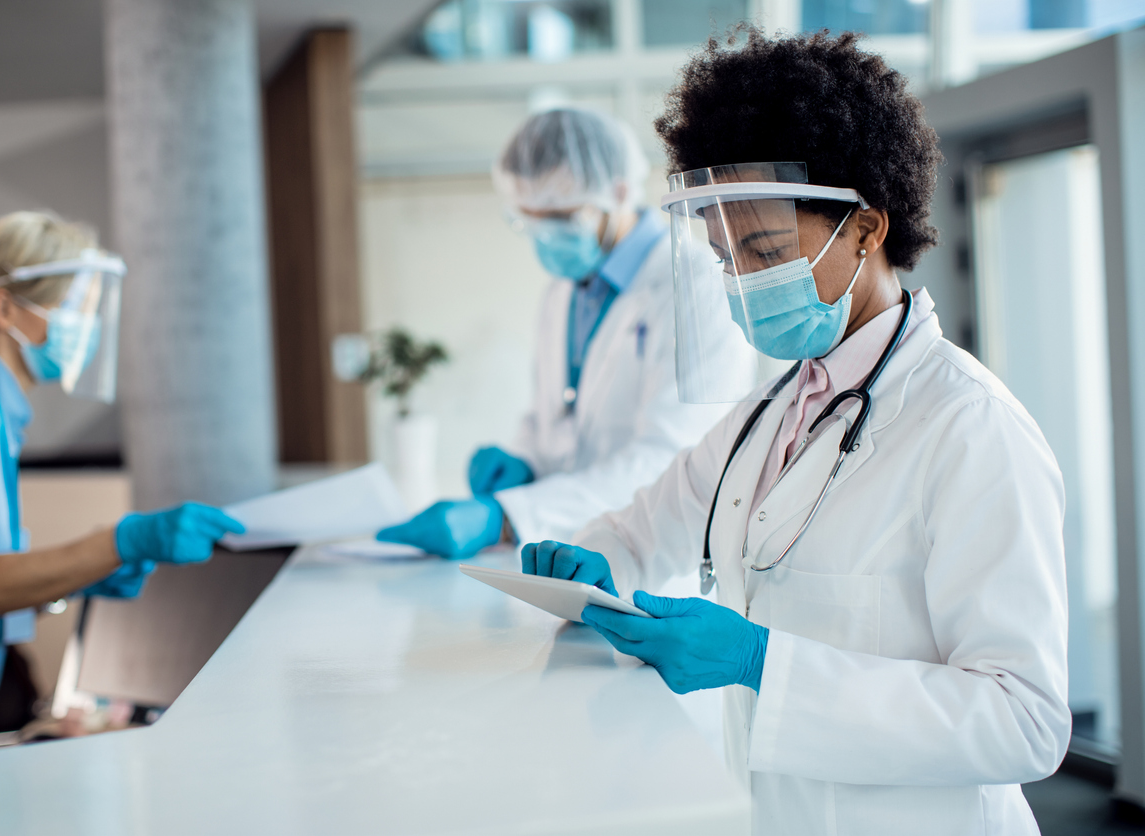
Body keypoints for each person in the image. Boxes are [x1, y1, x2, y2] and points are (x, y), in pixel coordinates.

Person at [522, 29, 1069, 834]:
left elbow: (1024, 720)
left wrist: (763, 663)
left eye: (766, 249)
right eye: (724, 256)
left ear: (868, 228)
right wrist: (594, 559)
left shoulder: (971, 431)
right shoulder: (768, 414)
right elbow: (649, 526)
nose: (741, 280)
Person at [0, 211, 245, 758]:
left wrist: (75, 581)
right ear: (4, 307)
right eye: (71, 308)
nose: (84, 325)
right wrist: (118, 542)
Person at [378, 108, 756, 558]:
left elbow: (673, 460)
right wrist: (525, 461)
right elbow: (551, 421)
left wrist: (507, 516)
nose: (545, 238)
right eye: (530, 220)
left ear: (617, 192)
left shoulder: (697, 284)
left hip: (657, 566)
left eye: (559, 219)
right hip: (565, 552)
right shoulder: (562, 293)